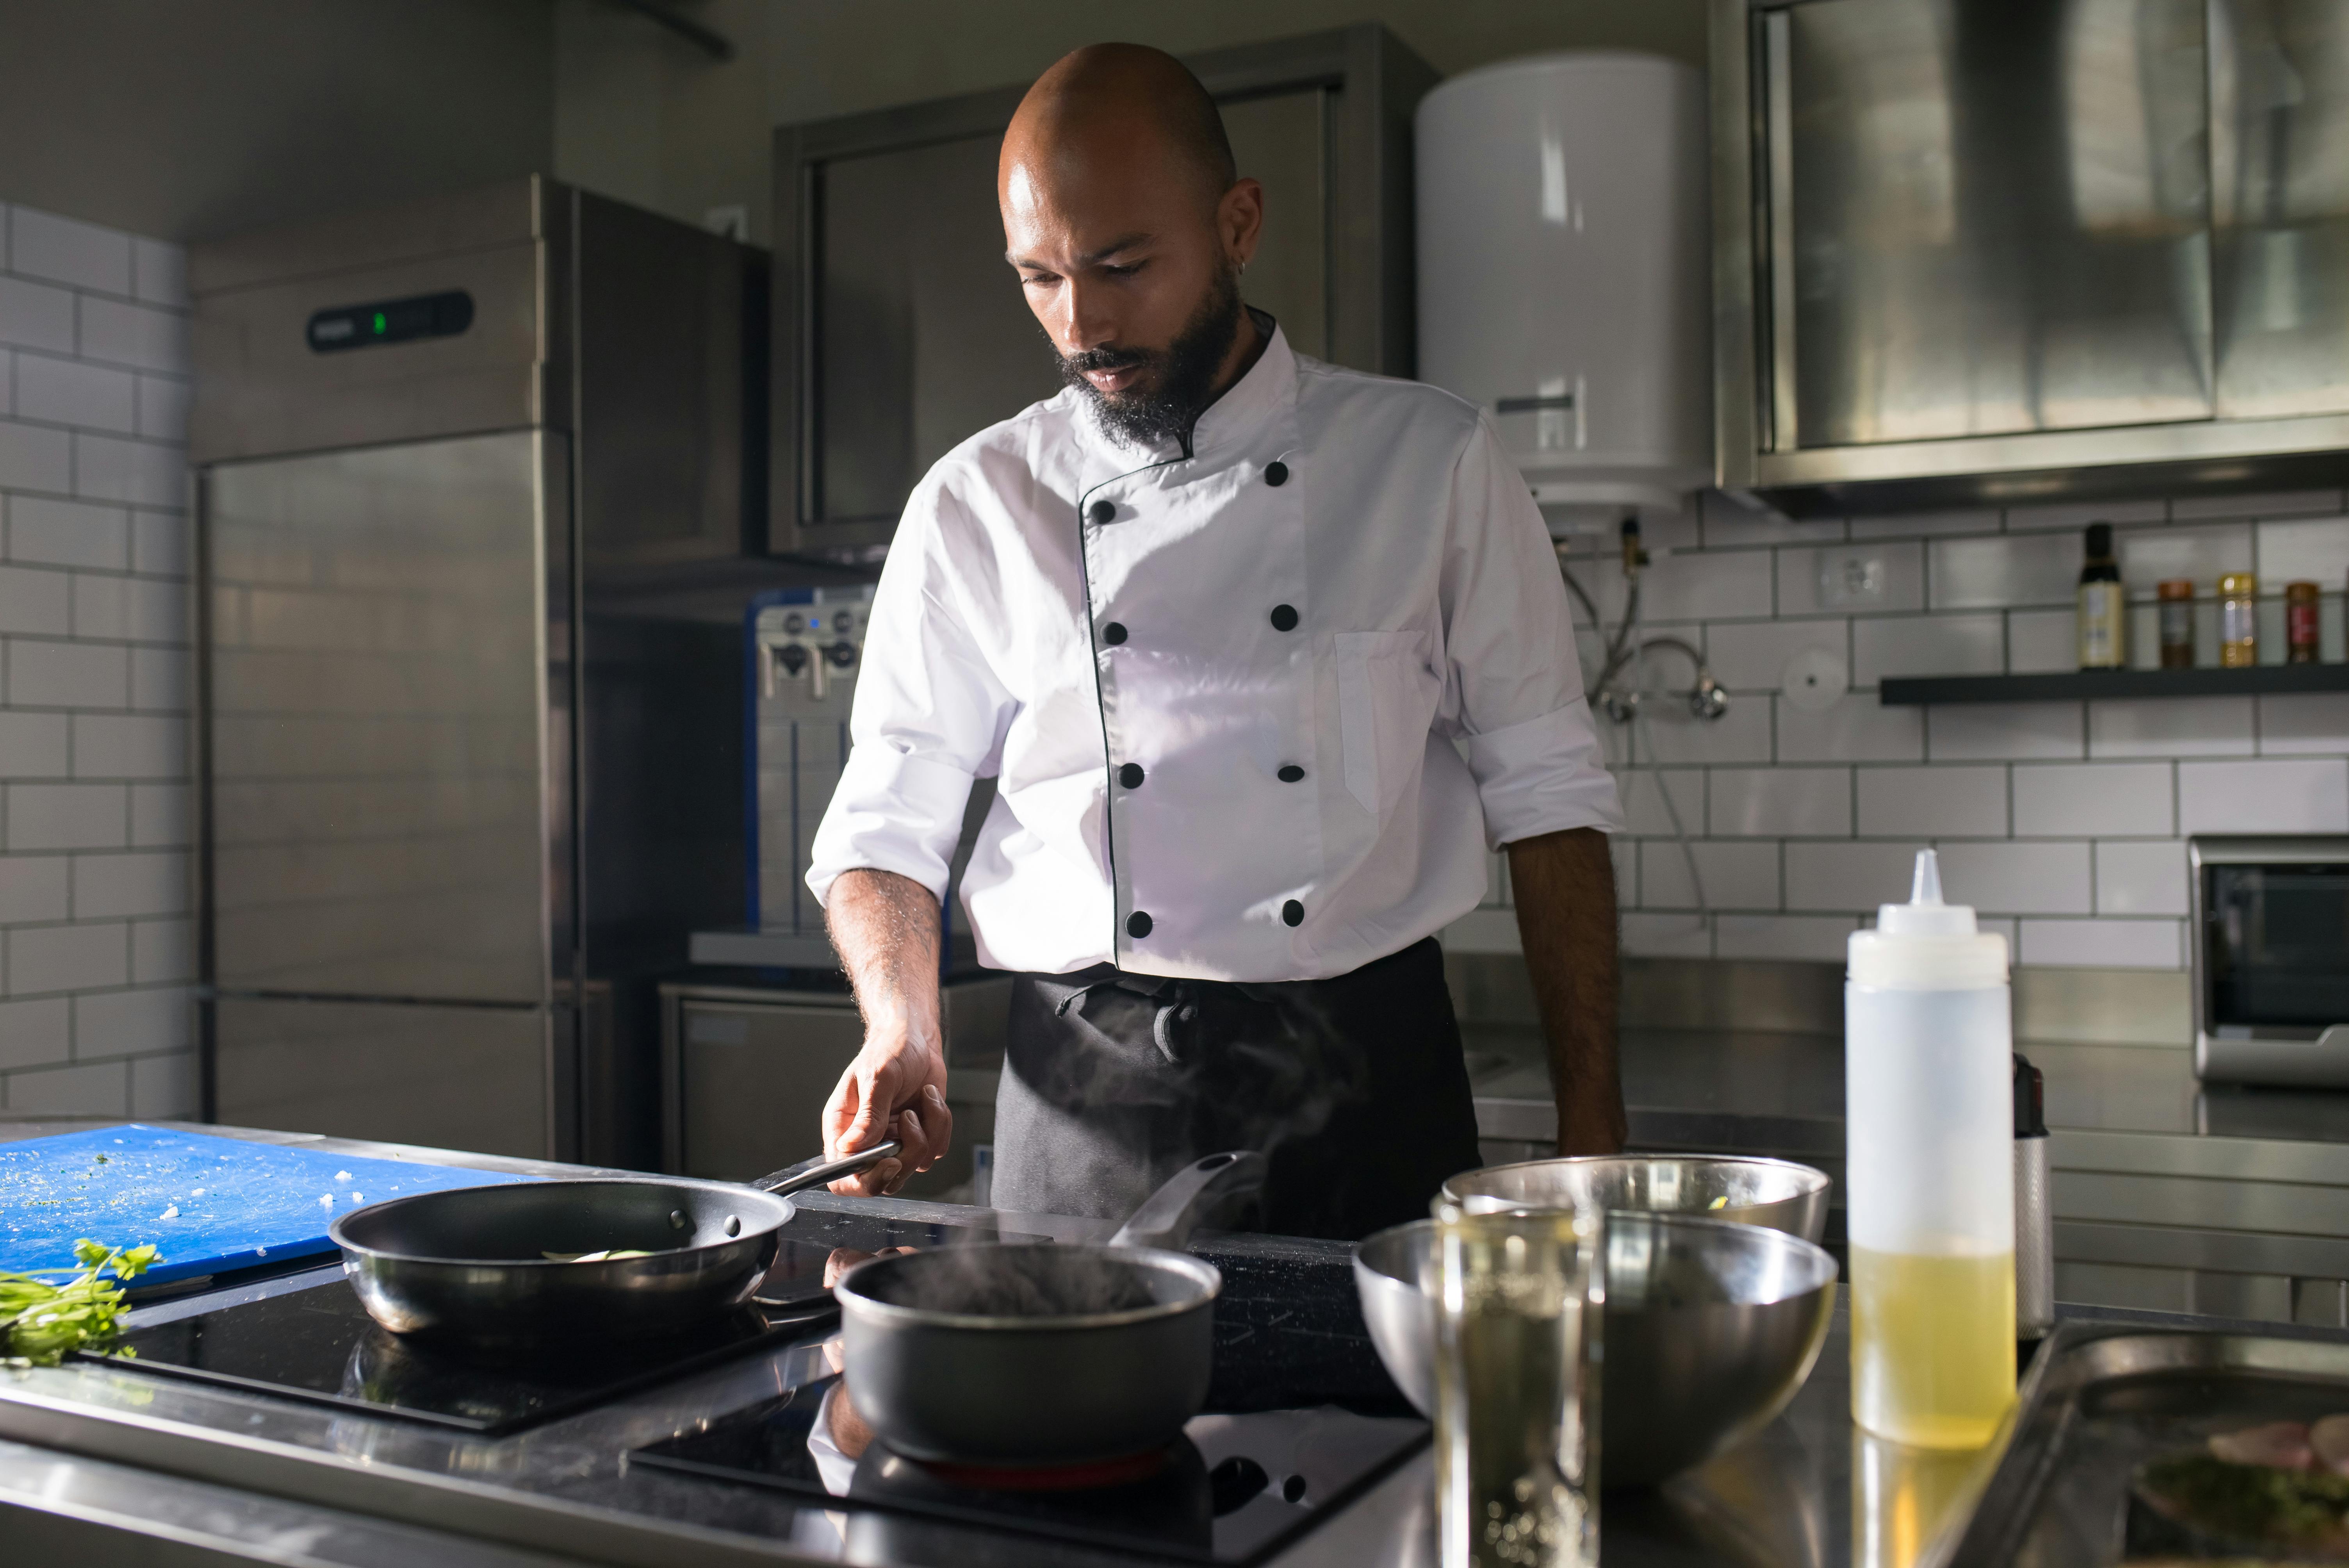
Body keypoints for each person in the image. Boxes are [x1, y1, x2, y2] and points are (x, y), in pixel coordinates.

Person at [806, 42, 1624, 1241]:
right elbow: (889, 815)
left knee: (1386, 1424)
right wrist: (902, 1025)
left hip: (1372, 1090)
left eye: (1123, 265)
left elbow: (1550, 793)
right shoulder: (976, 501)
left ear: (1238, 224)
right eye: (1039, 277)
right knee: (1078, 1429)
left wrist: (1592, 1125)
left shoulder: (1430, 463)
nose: (1081, 322)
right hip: (1088, 1102)